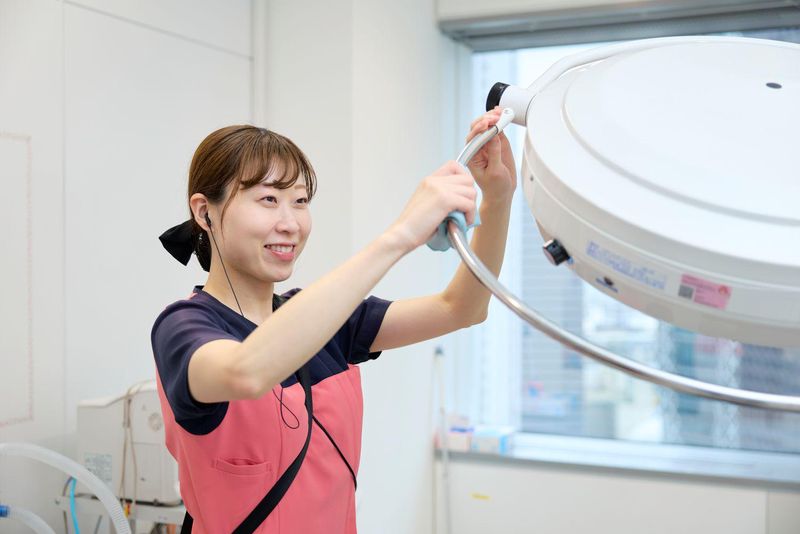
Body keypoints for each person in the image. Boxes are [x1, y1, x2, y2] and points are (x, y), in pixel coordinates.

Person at [151, 107, 516, 533]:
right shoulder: (184, 327)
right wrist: (399, 235)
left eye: (300, 201)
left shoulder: (326, 319)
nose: (290, 223)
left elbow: (463, 308)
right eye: (268, 199)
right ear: (204, 212)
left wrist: (498, 197)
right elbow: (245, 370)